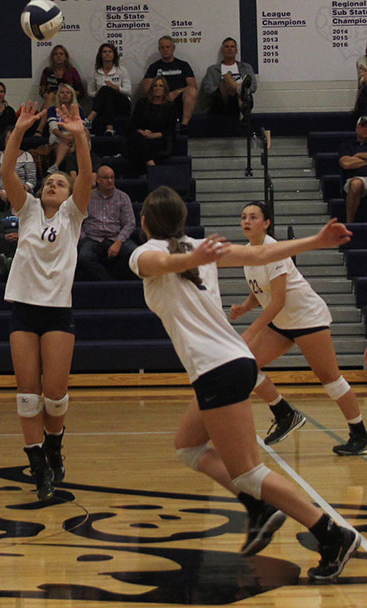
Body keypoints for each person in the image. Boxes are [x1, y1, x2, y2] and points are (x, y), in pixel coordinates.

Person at [129, 186, 360, 582]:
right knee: (188, 446)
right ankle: (257, 509)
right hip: (229, 362)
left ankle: (331, 533)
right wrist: (317, 239)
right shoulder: (188, 249)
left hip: (218, 366)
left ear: (145, 222)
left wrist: (317, 242)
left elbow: (259, 253)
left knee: (249, 473)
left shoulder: (152, 251)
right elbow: (177, 261)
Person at [3, 101, 92, 501]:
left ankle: (55, 444)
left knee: (55, 395)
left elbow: (87, 174)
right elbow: (7, 173)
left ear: (69, 193)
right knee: (27, 394)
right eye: (49, 182)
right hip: (23, 307)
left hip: (57, 310)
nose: (53, 186)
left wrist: (79, 136)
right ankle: (38, 466)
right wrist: (19, 131)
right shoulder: (28, 211)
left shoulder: (73, 216)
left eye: (59, 183)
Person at [228, 202, 367, 453]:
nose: (246, 221)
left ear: (267, 223)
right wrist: (244, 307)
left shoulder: (275, 250)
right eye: (243, 217)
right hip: (283, 321)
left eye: (253, 217)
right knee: (246, 365)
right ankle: (285, 415)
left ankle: (359, 433)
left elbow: (279, 299)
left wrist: (252, 330)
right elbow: (259, 291)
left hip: (307, 317)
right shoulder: (248, 251)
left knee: (330, 379)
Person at [77, 164, 137, 280]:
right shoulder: (87, 197)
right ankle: (109, 282)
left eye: (112, 177)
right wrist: (83, 238)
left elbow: (130, 223)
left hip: (115, 236)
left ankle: (114, 279)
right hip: (92, 237)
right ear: (98, 180)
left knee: (134, 253)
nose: (110, 180)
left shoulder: (123, 197)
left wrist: (119, 242)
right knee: (84, 257)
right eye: (106, 178)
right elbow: (78, 220)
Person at [142, 36, 197, 133]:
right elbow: (146, 89)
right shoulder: (154, 67)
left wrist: (178, 91)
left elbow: (193, 86)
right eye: (162, 47)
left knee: (192, 91)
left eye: (168, 47)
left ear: (173, 48)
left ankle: (184, 125)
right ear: (159, 49)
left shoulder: (183, 65)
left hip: (180, 98)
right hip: (161, 99)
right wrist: (163, 94)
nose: (165, 50)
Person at [0, 125, 36, 224]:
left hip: (22, 191)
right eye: (9, 138)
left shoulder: (27, 156)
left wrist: (21, 191)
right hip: (0, 192)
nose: (12, 141)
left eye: (15, 139)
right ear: (5, 140)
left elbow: (32, 180)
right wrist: (1, 193)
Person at [125, 76, 176, 176]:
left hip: (159, 138)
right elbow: (133, 125)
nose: (157, 88)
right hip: (141, 136)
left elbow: (171, 129)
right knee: (137, 139)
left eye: (161, 86)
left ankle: (143, 174)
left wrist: (155, 134)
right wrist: (142, 131)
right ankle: (150, 165)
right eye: (155, 86)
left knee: (141, 147)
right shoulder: (142, 103)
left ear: (165, 89)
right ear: (151, 89)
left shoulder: (170, 106)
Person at [201, 37, 256, 120]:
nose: (229, 49)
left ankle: (239, 94)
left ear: (236, 51)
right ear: (223, 50)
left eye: (232, 47)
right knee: (226, 77)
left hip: (239, 99)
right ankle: (239, 90)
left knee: (240, 91)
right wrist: (228, 88)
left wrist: (234, 90)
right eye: (227, 47)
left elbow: (253, 87)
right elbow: (207, 88)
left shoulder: (246, 67)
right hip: (221, 100)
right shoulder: (213, 69)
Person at [86, 42, 132, 136]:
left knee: (106, 89)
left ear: (114, 55)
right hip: (104, 105)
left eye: (110, 51)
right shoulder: (95, 72)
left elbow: (128, 91)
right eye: (104, 52)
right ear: (100, 55)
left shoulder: (121, 70)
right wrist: (97, 93)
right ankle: (109, 129)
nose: (107, 54)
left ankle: (90, 117)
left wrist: (115, 88)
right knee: (107, 97)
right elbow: (90, 92)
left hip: (121, 104)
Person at [47, 84, 86, 172]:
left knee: (72, 146)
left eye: (68, 93)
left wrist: (72, 137)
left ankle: (57, 166)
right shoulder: (52, 110)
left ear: (72, 95)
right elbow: (54, 129)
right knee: (66, 145)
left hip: (75, 139)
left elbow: (81, 128)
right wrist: (64, 137)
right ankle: (58, 167)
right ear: (58, 95)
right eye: (62, 93)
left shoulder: (79, 110)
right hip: (57, 139)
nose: (65, 94)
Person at [38, 45, 85, 115]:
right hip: (51, 101)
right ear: (52, 57)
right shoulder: (47, 71)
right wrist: (49, 96)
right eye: (55, 54)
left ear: (65, 57)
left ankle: (42, 124)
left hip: (68, 101)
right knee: (51, 96)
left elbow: (81, 91)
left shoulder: (72, 71)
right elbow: (42, 91)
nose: (58, 56)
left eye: (61, 54)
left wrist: (64, 95)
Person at [338, 116, 367, 223]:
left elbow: (351, 161)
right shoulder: (347, 146)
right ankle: (350, 224)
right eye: (363, 126)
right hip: (355, 179)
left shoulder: (356, 152)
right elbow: (345, 163)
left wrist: (358, 155)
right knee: (356, 183)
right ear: (357, 128)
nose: (366, 129)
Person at [0, 206, 19, 277]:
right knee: (5, 246)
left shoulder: (28, 215)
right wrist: (4, 236)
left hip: (21, 242)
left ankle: (7, 265)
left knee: (19, 246)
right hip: (3, 242)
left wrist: (21, 236)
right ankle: (9, 263)